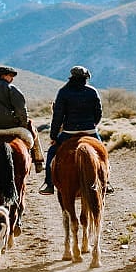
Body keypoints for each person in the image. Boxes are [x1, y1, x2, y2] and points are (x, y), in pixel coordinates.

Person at [38, 65, 103, 195]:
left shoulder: (64, 92)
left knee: (51, 153)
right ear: (85, 78)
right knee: (102, 152)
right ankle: (105, 181)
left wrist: (54, 136)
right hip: (90, 130)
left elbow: (58, 116)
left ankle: (49, 184)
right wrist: (92, 124)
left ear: (72, 77)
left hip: (69, 132)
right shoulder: (92, 91)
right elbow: (98, 112)